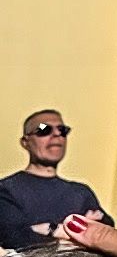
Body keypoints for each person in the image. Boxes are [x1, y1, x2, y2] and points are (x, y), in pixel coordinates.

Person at [0, 105, 109, 249]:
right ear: (25, 142)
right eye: (44, 129)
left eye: (62, 130)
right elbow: (15, 239)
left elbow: (107, 235)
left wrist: (47, 229)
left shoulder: (81, 192)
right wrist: (77, 236)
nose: (57, 134)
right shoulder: (6, 189)